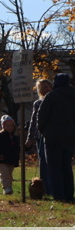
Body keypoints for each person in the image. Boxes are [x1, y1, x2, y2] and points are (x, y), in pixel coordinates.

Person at [37, 73, 75, 202]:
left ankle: (58, 196)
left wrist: (43, 131)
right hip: (70, 136)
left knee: (54, 168)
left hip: (52, 137)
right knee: (67, 166)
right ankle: (69, 195)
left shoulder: (51, 96)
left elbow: (42, 116)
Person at [27, 79, 53, 198]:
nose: (46, 89)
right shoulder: (38, 103)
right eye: (43, 88)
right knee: (43, 162)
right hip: (41, 136)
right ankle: (45, 188)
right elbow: (33, 121)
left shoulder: (56, 101)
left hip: (53, 136)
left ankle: (53, 187)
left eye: (48, 87)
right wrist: (30, 137)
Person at [0, 114, 21, 195]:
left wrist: (26, 147)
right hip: (1, 159)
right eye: (7, 126)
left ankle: (9, 188)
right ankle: (6, 187)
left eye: (11, 126)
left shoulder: (14, 137)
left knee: (9, 175)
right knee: (4, 174)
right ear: (3, 126)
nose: (10, 127)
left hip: (11, 160)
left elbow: (17, 148)